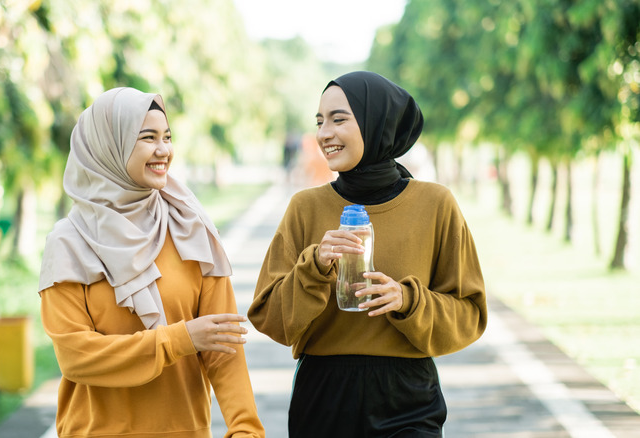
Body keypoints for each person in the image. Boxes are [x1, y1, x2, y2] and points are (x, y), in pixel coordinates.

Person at [247, 71, 487, 437]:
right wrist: (313, 268)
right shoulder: (305, 207)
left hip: (408, 400)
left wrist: (408, 300)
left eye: (339, 119)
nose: (324, 133)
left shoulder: (435, 204)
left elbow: (470, 313)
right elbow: (268, 317)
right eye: (319, 121)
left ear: (378, 124)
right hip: (324, 398)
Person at [38, 87, 264, 438]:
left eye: (167, 137)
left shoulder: (190, 228)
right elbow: (76, 356)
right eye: (148, 138)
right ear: (108, 146)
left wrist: (245, 427)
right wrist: (178, 340)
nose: (164, 150)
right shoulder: (69, 242)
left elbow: (224, 346)